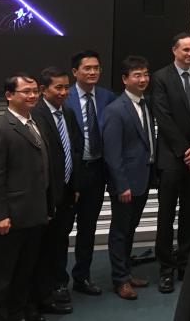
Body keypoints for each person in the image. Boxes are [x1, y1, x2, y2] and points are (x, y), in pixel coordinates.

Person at [0, 73, 49, 321]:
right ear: (9, 95)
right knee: (1, 277)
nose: (32, 96)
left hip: (34, 215)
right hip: (10, 219)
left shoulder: (35, 122)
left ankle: (18, 314)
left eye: (35, 91)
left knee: (24, 273)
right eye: (26, 92)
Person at [150, 33, 190, 293]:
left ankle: (185, 262)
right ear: (174, 50)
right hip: (172, 159)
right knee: (166, 216)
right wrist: (185, 150)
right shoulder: (160, 78)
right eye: (185, 49)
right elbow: (162, 118)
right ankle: (166, 267)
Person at [30, 67, 83, 315]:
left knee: (60, 241)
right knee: (44, 247)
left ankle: (59, 285)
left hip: (66, 193)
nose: (63, 92)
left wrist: (75, 186)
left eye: (66, 87)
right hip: (46, 196)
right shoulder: (36, 116)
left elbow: (74, 151)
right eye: (58, 87)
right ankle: (44, 293)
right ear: (43, 90)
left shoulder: (69, 113)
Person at [103, 56, 156, 299]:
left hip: (142, 180)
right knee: (120, 231)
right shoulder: (116, 109)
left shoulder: (146, 104)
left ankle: (126, 272)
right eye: (137, 75)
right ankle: (120, 280)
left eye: (145, 74)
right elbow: (112, 154)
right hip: (125, 185)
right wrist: (121, 185)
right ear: (125, 79)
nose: (143, 79)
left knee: (130, 229)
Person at [65, 50, 117, 296]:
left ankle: (82, 277)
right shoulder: (64, 97)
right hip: (71, 174)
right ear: (75, 72)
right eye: (87, 68)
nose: (93, 72)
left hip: (97, 170)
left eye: (96, 67)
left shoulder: (108, 97)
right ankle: (56, 280)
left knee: (88, 227)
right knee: (63, 229)